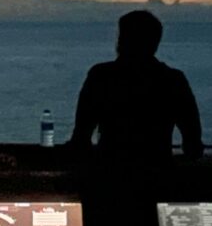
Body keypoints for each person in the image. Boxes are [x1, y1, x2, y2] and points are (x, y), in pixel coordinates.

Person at [70, 9, 204, 160]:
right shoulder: (173, 80)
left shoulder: (101, 76)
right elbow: (192, 141)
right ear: (155, 43)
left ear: (123, 40)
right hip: (158, 173)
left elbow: (81, 136)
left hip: (108, 173)